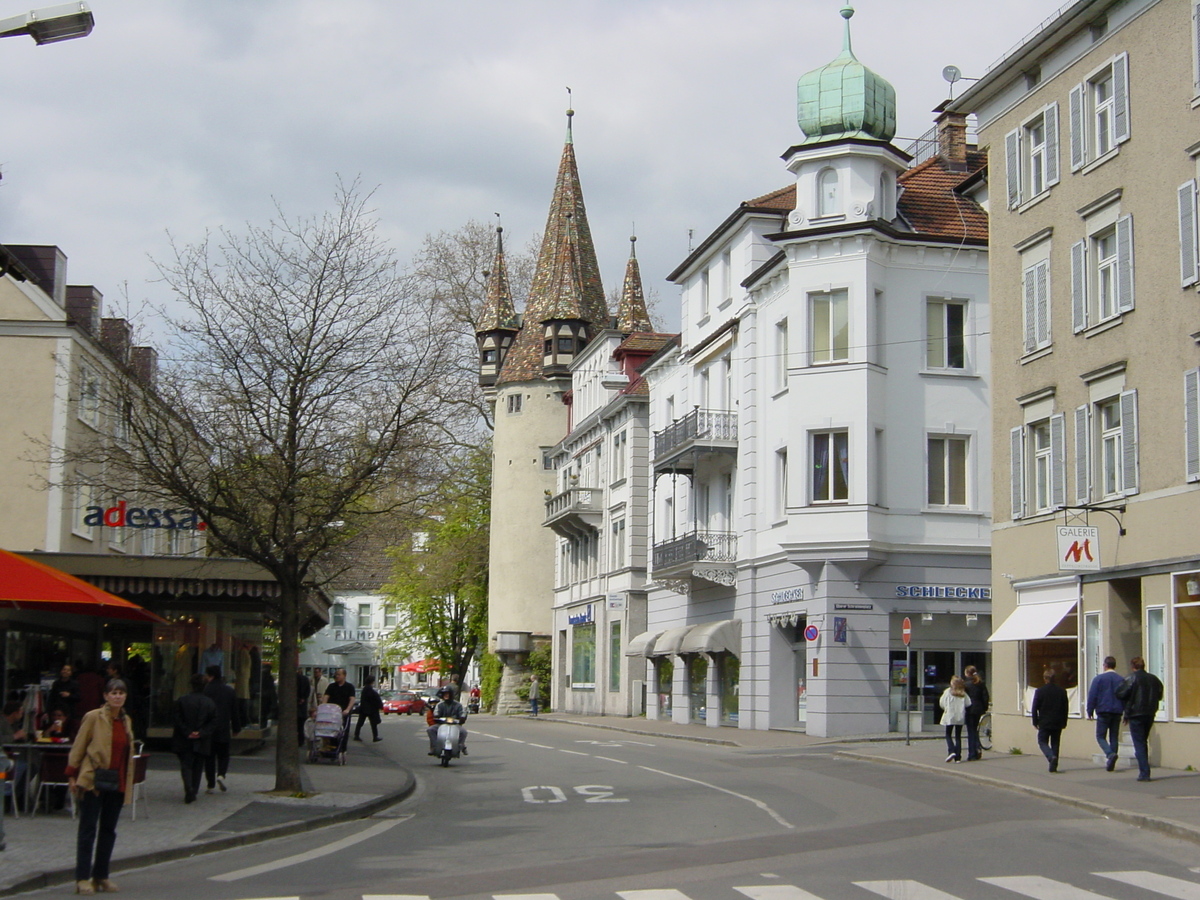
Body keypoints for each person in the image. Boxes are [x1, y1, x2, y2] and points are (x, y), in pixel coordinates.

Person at [66, 678, 137, 895]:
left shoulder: (126, 720)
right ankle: (82, 878)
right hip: (93, 779)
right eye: (113, 693)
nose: (117, 696)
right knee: (88, 829)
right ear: (105, 696)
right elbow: (79, 746)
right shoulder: (93, 717)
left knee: (108, 830)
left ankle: (101, 876)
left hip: (117, 781)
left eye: (121, 693)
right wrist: (71, 774)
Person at [1116, 656, 1164, 782]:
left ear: (1133, 666)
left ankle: (1144, 772)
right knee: (1143, 741)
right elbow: (1159, 694)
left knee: (1139, 743)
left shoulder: (1131, 678)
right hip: (1149, 713)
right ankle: (1144, 769)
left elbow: (1120, 692)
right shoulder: (1154, 679)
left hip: (1136, 713)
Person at [172, 673, 216, 804]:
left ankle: (189, 787)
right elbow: (213, 721)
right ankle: (194, 789)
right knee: (198, 765)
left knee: (186, 764)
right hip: (202, 740)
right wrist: (201, 733)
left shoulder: (182, 700)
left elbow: (177, 719)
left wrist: (187, 732)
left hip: (184, 738)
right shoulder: (209, 702)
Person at [202, 666, 241, 794]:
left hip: (209, 729)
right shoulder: (229, 691)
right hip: (224, 727)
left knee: (209, 757)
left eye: (207, 675)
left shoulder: (206, 690)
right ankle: (221, 774)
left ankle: (210, 784)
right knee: (224, 754)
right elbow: (235, 711)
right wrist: (236, 727)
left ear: (210, 676)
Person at [1087, 655, 1125, 771]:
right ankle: (1111, 761)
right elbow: (1124, 696)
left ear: (1105, 666)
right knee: (1114, 736)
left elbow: (1092, 696)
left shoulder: (1098, 679)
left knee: (1100, 736)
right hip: (1117, 711)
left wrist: (1090, 710)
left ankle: (1109, 754)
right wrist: (1125, 711)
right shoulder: (1121, 680)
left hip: (1103, 710)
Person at [1031, 669, 1069, 772]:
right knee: (1055, 743)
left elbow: (1034, 708)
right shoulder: (1062, 691)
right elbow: (1065, 708)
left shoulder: (1040, 691)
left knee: (1042, 741)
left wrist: (1035, 721)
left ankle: (1050, 756)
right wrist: (1064, 722)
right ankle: (1054, 765)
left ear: (1045, 679)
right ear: (1054, 678)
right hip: (1057, 721)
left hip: (1044, 721)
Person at [426, 686, 468, 756]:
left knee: (463, 732)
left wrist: (462, 718)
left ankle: (461, 745)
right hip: (442, 724)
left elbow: (463, 712)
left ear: (451, 695)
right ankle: (434, 747)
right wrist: (437, 717)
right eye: (444, 694)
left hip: (455, 725)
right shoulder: (439, 705)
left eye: (448, 694)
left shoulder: (458, 705)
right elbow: (436, 713)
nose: (446, 696)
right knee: (430, 730)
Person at [939, 675, 971, 763]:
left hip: (950, 715)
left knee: (948, 734)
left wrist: (946, 708)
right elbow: (968, 703)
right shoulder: (963, 694)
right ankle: (958, 757)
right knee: (958, 736)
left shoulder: (947, 692)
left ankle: (951, 751)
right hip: (960, 717)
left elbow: (941, 703)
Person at [962, 665, 989, 762]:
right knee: (975, 730)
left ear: (967, 673)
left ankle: (972, 753)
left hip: (969, 709)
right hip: (978, 708)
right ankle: (977, 748)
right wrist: (984, 708)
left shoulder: (965, 684)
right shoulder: (980, 683)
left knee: (971, 731)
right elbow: (985, 697)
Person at [353, 675, 383, 742]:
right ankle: (375, 737)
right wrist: (380, 705)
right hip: (370, 709)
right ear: (372, 682)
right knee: (373, 724)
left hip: (364, 708)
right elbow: (375, 699)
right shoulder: (370, 690)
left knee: (360, 723)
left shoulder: (365, 689)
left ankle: (356, 735)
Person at [295, 668, 311, 748]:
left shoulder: (293, 679)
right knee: (301, 724)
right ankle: (301, 740)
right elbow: (308, 691)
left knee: (296, 723)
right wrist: (303, 698)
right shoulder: (305, 679)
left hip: (295, 703)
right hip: (302, 705)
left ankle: (298, 739)